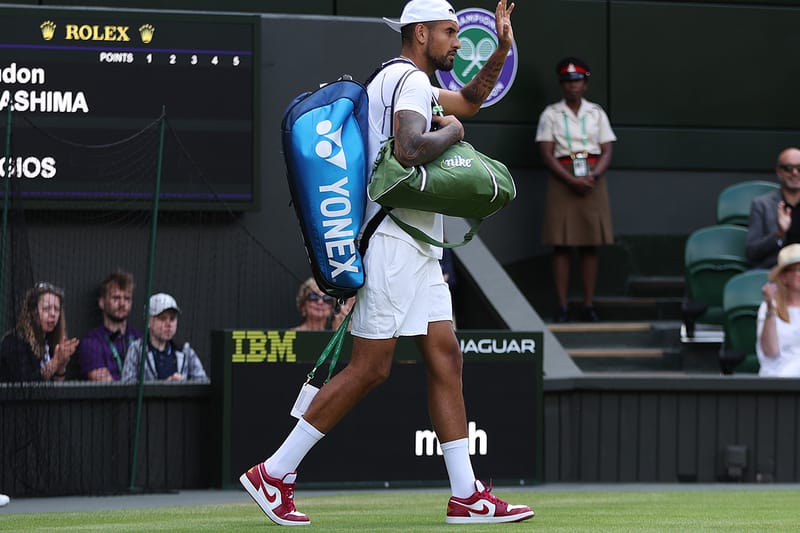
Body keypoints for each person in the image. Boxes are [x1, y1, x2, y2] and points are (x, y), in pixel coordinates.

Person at [239, 0, 533, 526]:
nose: (458, 42)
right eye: (449, 32)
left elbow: (468, 100)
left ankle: (466, 494)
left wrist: (503, 50)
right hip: (395, 242)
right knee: (370, 368)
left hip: (417, 244)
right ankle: (274, 472)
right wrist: (455, 136)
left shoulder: (400, 79)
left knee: (446, 356)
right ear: (420, 34)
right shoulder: (411, 83)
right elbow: (413, 146)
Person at [535, 56, 617, 323]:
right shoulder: (551, 114)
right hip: (563, 177)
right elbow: (546, 153)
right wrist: (570, 180)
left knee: (589, 245)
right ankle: (562, 306)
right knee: (561, 244)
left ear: (586, 83)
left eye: (578, 80)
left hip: (592, 177)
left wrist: (593, 175)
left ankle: (588, 304)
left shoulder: (596, 113)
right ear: (561, 85)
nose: (573, 86)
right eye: (568, 81)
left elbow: (607, 149)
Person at [0, 282, 79, 382]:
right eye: (46, 309)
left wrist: (60, 367)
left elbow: (56, 390)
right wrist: (54, 363)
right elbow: (26, 386)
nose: (53, 314)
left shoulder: (51, 343)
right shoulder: (14, 341)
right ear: (33, 312)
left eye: (57, 309)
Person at [120, 293, 208, 382]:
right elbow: (127, 386)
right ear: (148, 322)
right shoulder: (137, 349)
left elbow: (203, 382)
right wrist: (164, 387)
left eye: (172, 318)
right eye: (162, 318)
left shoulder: (185, 350)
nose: (169, 324)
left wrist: (183, 387)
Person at [77, 270, 142, 381]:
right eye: (116, 298)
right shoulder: (92, 341)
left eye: (127, 299)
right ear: (102, 302)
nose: (122, 304)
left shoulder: (139, 338)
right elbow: (103, 384)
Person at [746, 147, 800, 270]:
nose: (795, 173)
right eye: (788, 168)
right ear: (779, 171)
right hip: (775, 272)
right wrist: (778, 234)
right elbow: (751, 252)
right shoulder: (762, 204)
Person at [756, 244, 800, 377]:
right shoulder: (768, 307)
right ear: (783, 277)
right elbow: (771, 351)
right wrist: (770, 308)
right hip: (777, 381)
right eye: (797, 269)